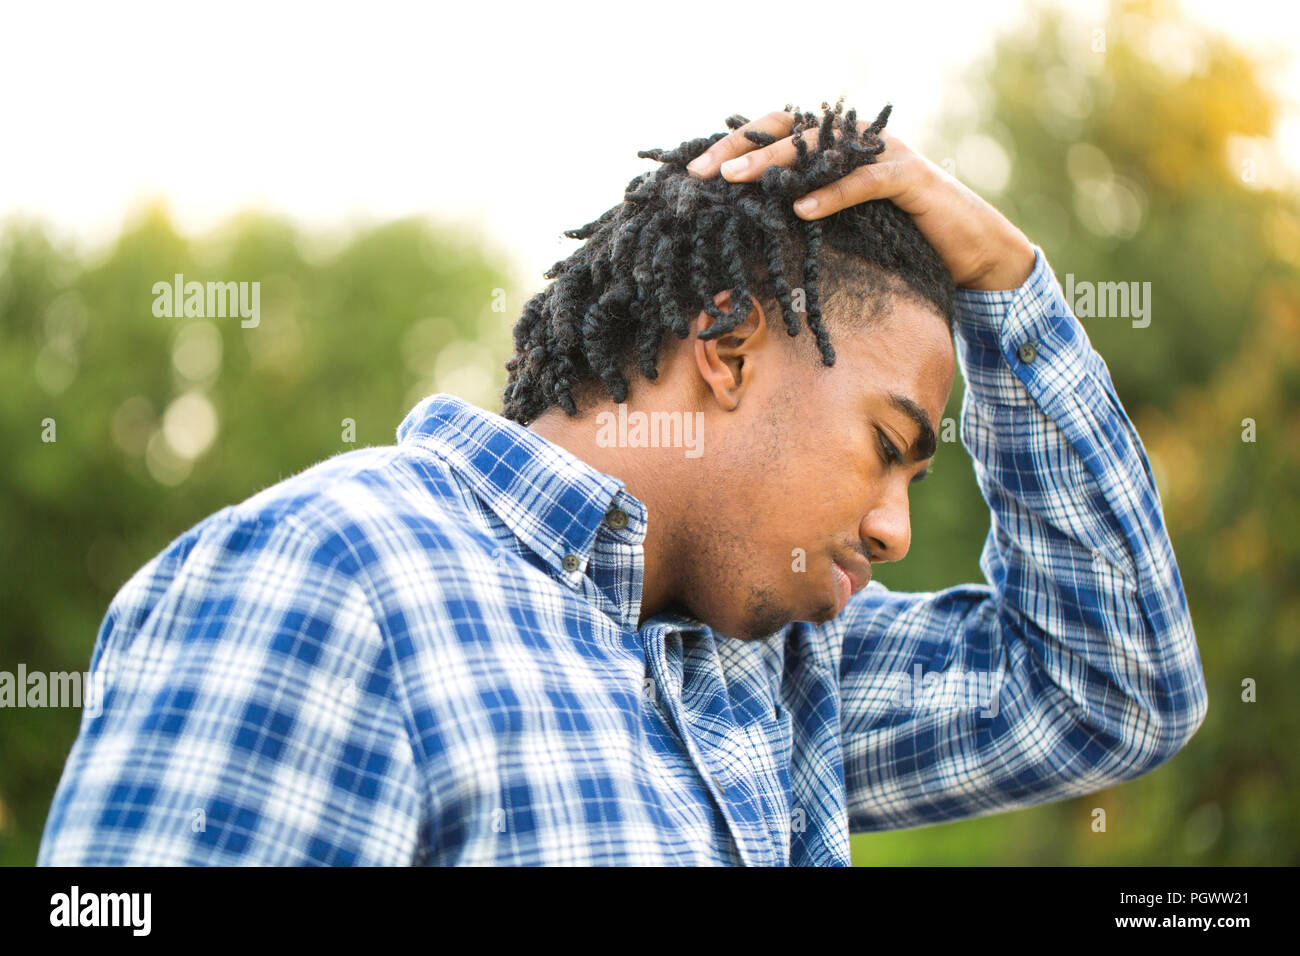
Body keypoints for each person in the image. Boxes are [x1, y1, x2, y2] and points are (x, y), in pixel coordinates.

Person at [38, 101, 1207, 866]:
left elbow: (1110, 687)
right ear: (728, 344)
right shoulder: (335, 578)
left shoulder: (779, 667)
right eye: (883, 442)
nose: (895, 528)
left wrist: (1007, 284)